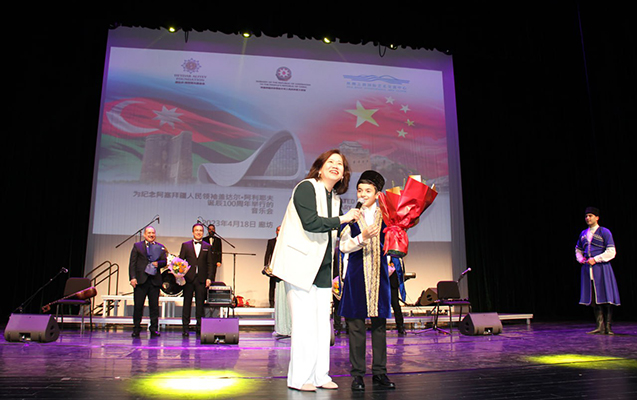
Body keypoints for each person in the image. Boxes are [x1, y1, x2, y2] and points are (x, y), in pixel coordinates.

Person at [270, 149, 360, 392]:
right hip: (301, 266)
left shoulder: (336, 199)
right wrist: (343, 219)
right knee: (304, 325)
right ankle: (300, 379)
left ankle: (320, 375)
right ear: (320, 168)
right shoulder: (306, 187)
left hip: (323, 269)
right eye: (330, 162)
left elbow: (338, 237)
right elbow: (311, 222)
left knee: (322, 327)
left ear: (343, 175)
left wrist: (360, 236)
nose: (335, 166)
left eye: (340, 164)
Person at [338, 170, 396, 391]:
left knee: (380, 326)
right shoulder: (351, 216)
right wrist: (362, 238)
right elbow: (343, 246)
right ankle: (358, 375)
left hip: (379, 276)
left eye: (367, 191)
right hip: (356, 276)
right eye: (359, 190)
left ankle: (380, 373)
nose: (362, 194)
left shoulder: (387, 216)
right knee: (356, 327)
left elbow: (394, 242)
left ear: (377, 194)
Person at [575, 206, 620, 335]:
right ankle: (599, 326)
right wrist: (581, 259)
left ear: (597, 217)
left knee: (606, 296)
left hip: (602, 268)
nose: (588, 218)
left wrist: (596, 259)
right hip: (588, 269)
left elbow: (611, 251)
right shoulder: (583, 234)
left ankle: (608, 326)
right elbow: (578, 249)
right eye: (586, 216)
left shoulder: (604, 232)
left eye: (590, 216)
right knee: (594, 297)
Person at [129, 226, 167, 338]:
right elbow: (132, 263)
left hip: (154, 281)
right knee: (138, 306)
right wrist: (132, 277)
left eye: (153, 233)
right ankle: (136, 328)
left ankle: (154, 328)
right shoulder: (137, 246)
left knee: (154, 307)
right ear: (145, 234)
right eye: (149, 233)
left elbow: (164, 261)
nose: (151, 235)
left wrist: (158, 264)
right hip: (141, 280)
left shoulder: (160, 247)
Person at [178, 223, 214, 336]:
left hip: (201, 279)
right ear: (193, 232)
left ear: (203, 233)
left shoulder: (207, 246)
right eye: (196, 230)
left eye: (201, 231)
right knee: (187, 303)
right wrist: (180, 276)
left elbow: (210, 264)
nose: (198, 232)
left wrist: (209, 278)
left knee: (200, 304)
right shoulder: (185, 245)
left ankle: (200, 327)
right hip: (188, 279)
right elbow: (180, 262)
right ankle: (185, 327)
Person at [263, 226, 281, 308]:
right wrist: (266, 265)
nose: (279, 232)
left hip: (282, 267)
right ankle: (271, 302)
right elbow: (268, 254)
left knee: (282, 285)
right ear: (276, 232)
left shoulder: (285, 242)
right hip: (273, 267)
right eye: (278, 230)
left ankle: (281, 302)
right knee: (272, 285)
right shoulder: (271, 241)